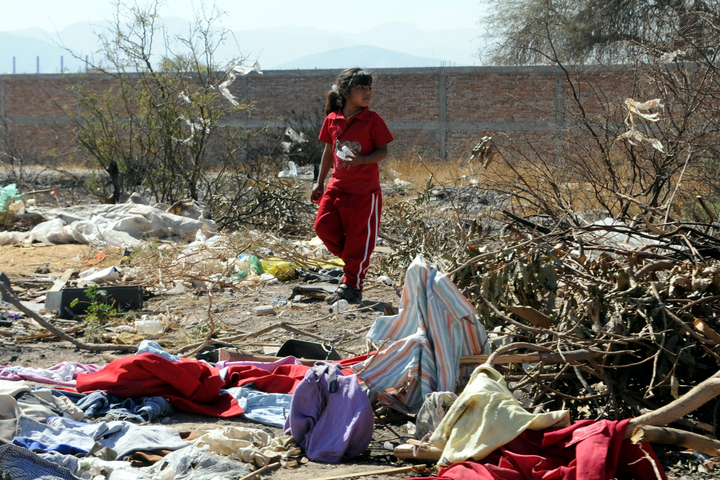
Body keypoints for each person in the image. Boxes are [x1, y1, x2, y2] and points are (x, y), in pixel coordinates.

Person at [311, 68, 394, 304]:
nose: (367, 93)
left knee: (359, 240)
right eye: (361, 88)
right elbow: (328, 151)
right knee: (323, 227)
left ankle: (352, 285)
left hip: (364, 192)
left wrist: (361, 161)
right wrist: (320, 182)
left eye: (369, 88)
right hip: (337, 187)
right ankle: (353, 263)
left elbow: (383, 151)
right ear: (346, 92)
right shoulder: (332, 119)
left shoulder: (373, 119)